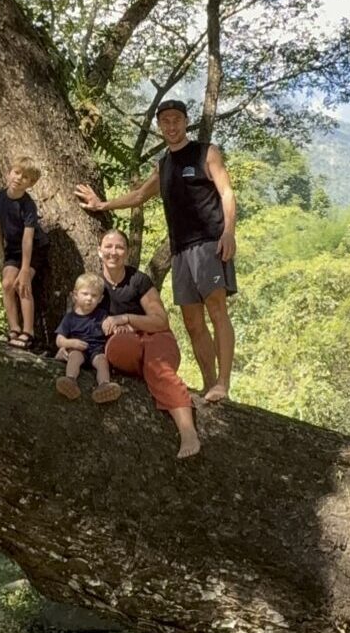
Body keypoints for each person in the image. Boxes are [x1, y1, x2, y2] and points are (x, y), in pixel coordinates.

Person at [75, 99, 238, 402]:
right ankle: (209, 385)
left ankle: (224, 385)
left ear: (185, 122)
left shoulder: (206, 153)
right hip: (180, 252)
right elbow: (138, 195)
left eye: (177, 119)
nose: (172, 126)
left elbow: (227, 192)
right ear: (160, 126)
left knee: (217, 311)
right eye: (165, 121)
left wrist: (229, 232)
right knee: (192, 322)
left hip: (209, 243)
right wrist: (102, 204)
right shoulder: (164, 166)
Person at [94, 228, 203, 459]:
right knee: (121, 344)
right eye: (108, 247)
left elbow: (160, 321)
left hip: (156, 339)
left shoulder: (138, 280)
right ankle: (147, 367)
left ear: (127, 252)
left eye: (119, 247)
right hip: (126, 347)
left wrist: (126, 319)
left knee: (158, 365)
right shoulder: (93, 285)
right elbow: (79, 321)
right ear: (99, 251)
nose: (113, 252)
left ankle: (187, 432)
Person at [0, 156, 48, 349]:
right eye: (17, 173)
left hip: (34, 249)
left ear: (31, 184)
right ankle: (13, 328)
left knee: (22, 284)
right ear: (9, 172)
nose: (19, 179)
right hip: (12, 248)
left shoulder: (28, 205)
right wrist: (1, 254)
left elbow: (28, 238)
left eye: (26, 177)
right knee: (7, 284)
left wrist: (24, 269)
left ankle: (28, 331)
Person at [53, 273, 123, 404]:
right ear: (75, 295)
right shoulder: (70, 318)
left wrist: (116, 329)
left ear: (101, 299)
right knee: (74, 357)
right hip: (78, 349)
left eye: (94, 295)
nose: (89, 298)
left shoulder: (102, 315)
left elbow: (110, 328)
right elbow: (59, 339)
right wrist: (70, 342)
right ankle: (70, 380)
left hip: (97, 350)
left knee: (102, 361)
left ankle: (104, 385)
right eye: (85, 294)